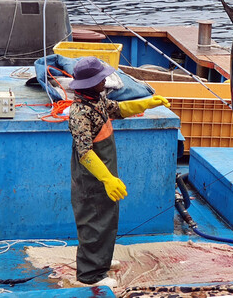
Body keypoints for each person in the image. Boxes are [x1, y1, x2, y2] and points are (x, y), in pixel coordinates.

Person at [68, 56, 170, 287]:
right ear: (88, 83)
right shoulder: (79, 113)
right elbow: (85, 153)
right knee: (93, 221)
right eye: (100, 78)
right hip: (92, 178)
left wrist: (148, 102)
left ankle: (100, 260)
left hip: (105, 173)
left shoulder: (97, 100)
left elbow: (118, 109)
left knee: (107, 217)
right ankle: (90, 276)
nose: (105, 80)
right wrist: (106, 179)